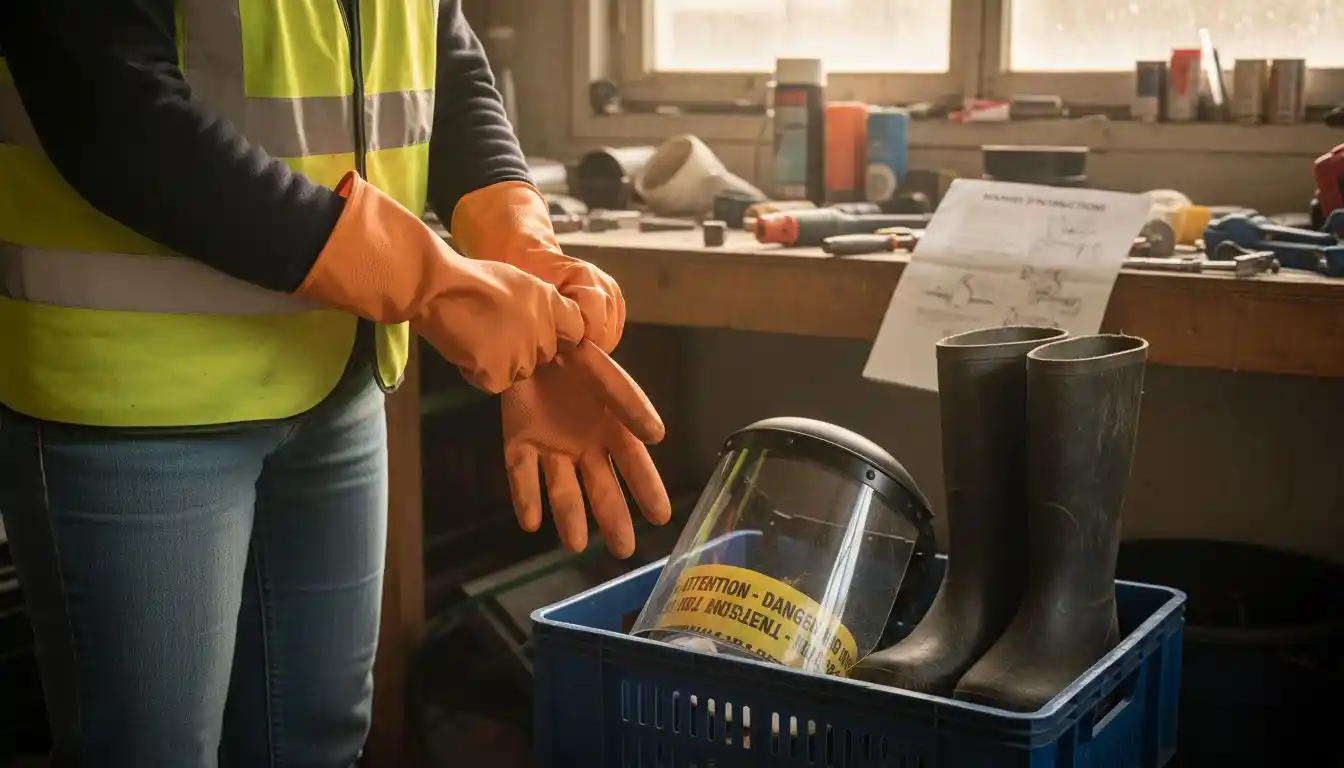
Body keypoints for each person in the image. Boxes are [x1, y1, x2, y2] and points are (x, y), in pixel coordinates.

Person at [0, 1, 669, 766]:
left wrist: (522, 256)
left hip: (333, 386)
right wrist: (433, 285)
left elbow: (438, 56)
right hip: (140, 393)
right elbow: (111, 110)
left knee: (316, 746)